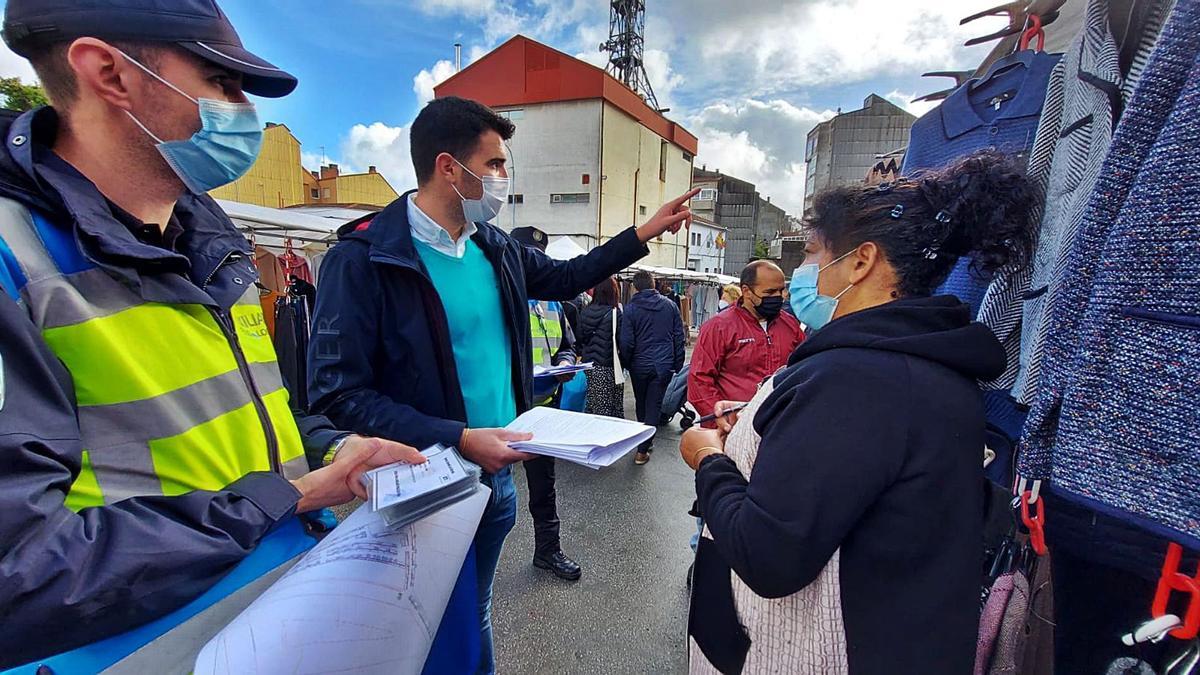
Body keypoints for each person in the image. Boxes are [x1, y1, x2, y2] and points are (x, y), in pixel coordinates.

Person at [0, 1, 422, 667]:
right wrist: (282, 499)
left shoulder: (213, 249)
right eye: (222, 83)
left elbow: (246, 423)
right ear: (109, 72)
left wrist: (335, 446)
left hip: (277, 619)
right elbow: (19, 570)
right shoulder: (15, 259)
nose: (243, 113)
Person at [307, 95, 697, 674]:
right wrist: (459, 437)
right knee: (421, 623)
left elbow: (567, 277)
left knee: (476, 612)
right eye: (493, 165)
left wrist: (639, 234)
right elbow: (339, 394)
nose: (502, 179)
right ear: (448, 167)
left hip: (497, 478)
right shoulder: (364, 258)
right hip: (421, 483)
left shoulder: (495, 248)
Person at [680, 152, 1036, 674]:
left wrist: (709, 458)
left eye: (814, 254)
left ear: (861, 261)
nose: (808, 274)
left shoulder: (859, 377)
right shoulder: (925, 362)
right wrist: (765, 424)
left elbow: (768, 554)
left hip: (818, 651)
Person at [511, 225, 583, 583]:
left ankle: (547, 550)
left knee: (544, 486)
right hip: (503, 412)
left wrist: (567, 363)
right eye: (530, 257)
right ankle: (465, 565)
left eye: (541, 258)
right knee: (485, 491)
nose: (536, 264)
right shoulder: (502, 298)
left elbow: (567, 343)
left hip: (543, 409)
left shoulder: (554, 301)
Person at [688, 261, 804, 429]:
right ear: (746, 291)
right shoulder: (719, 327)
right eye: (770, 292)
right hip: (733, 426)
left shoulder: (790, 324)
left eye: (781, 290)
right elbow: (699, 379)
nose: (779, 297)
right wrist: (721, 420)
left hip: (779, 425)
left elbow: (803, 366)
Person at [619, 270, 686, 466]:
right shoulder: (670, 306)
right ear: (654, 283)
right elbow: (678, 337)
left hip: (639, 364)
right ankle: (643, 447)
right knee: (654, 405)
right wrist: (678, 363)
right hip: (663, 364)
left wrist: (627, 362)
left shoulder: (631, 309)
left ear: (635, 287)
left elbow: (627, 342)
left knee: (641, 403)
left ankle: (643, 444)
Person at [577, 276, 625, 418]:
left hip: (588, 367)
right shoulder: (616, 313)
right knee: (607, 411)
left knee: (591, 407)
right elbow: (622, 341)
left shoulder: (585, 311)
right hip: (609, 367)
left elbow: (579, 338)